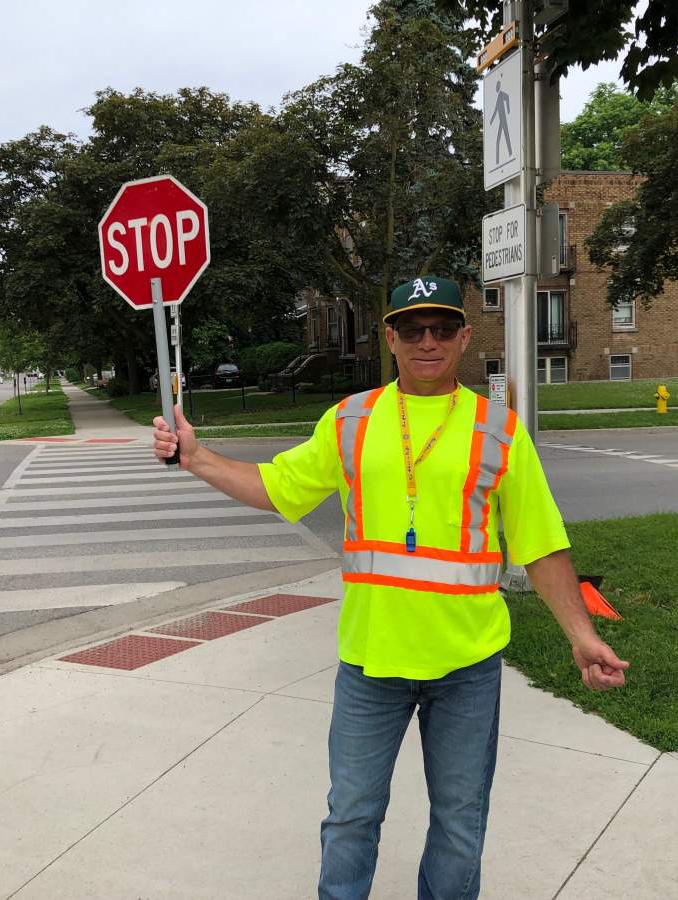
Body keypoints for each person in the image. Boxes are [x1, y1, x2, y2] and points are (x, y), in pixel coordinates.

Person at [152, 276, 628, 900]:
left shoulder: (500, 430)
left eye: (439, 329)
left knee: (459, 823)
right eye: (411, 329)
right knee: (350, 818)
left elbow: (540, 547)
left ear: (463, 336)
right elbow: (276, 487)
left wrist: (582, 636)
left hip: (467, 664)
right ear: (390, 339)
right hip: (371, 663)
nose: (426, 341)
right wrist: (196, 457)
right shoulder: (351, 419)